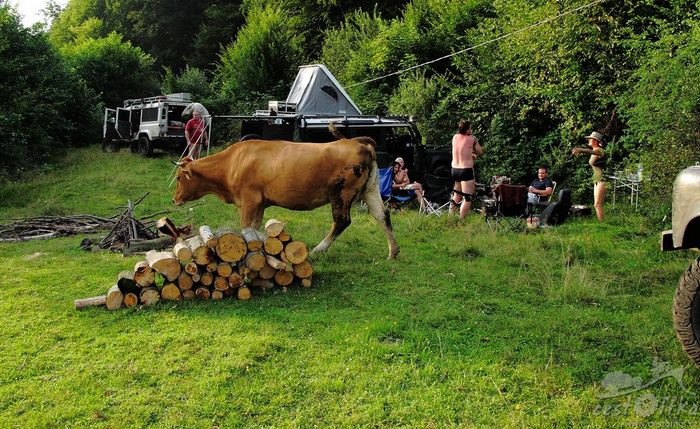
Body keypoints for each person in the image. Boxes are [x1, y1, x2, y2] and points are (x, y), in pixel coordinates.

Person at [450, 119, 483, 219]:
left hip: (455, 169)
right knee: (467, 198)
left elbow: (461, 150)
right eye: (470, 128)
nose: (471, 130)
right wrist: (475, 141)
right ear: (467, 129)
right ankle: (461, 221)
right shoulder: (472, 139)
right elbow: (480, 151)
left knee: (457, 194)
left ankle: (450, 219)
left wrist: (470, 155)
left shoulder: (455, 137)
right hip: (466, 170)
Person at [572, 131, 607, 221]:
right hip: (596, 180)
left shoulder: (599, 150)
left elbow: (591, 151)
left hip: (602, 179)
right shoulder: (594, 151)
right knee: (597, 204)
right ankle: (601, 223)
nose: (589, 140)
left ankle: (602, 224)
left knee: (597, 204)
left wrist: (581, 150)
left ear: (596, 141)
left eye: (590, 139)